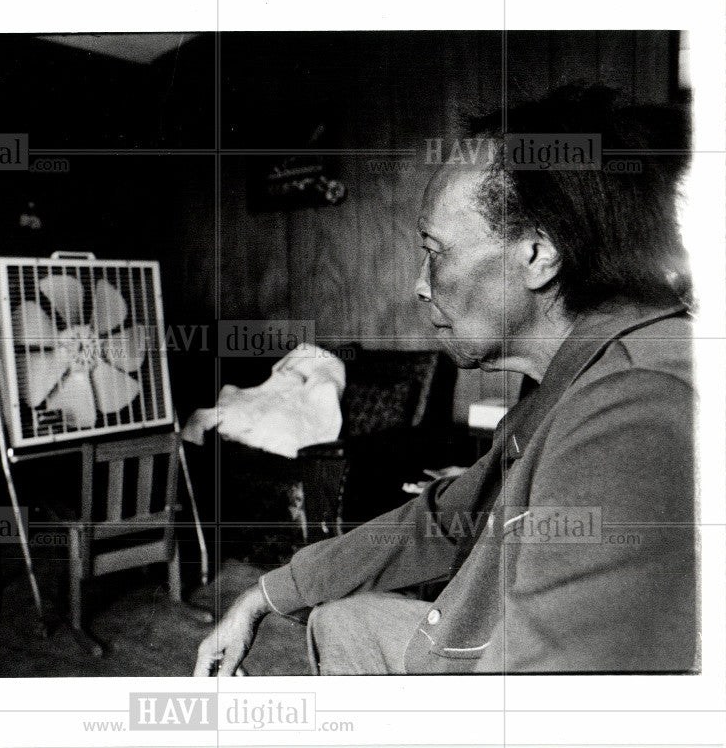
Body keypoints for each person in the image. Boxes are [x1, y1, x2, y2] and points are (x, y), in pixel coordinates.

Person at [194, 84, 697, 675]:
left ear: (538, 255)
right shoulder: (572, 373)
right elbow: (443, 518)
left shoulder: (633, 408)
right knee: (341, 619)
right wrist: (263, 595)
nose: (420, 285)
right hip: (489, 642)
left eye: (436, 250)